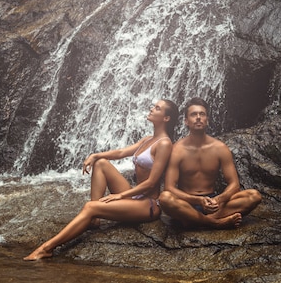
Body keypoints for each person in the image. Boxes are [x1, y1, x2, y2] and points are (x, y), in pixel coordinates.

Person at [24, 99, 179, 260]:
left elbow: (152, 183)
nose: (152, 109)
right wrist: (96, 155)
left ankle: (46, 248)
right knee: (101, 163)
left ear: (166, 118)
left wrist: (120, 196)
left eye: (157, 108)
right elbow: (120, 153)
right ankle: (94, 220)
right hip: (134, 196)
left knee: (90, 207)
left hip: (148, 205)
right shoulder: (148, 139)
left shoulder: (164, 144)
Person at [158, 97, 261, 229]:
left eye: (202, 114)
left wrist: (219, 199)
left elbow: (234, 184)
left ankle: (194, 220)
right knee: (165, 198)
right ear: (186, 121)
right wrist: (198, 200)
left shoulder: (220, 148)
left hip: (214, 203)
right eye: (194, 114)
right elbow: (170, 188)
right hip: (187, 202)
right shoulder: (177, 150)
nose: (198, 117)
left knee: (254, 196)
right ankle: (215, 223)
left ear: (207, 120)